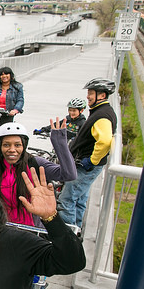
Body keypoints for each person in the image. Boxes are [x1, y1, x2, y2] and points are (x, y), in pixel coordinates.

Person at [0, 104, 77, 227]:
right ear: (0, 147)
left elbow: (69, 174)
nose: (12, 150)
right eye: (6, 145)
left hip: (33, 229)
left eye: (17, 145)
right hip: (6, 226)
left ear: (24, 146)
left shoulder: (36, 163)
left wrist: (60, 143)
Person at [58, 78, 117, 228]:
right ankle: (76, 230)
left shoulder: (102, 116)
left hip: (86, 167)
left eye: (91, 93)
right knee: (79, 199)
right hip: (86, 166)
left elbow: (104, 141)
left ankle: (67, 238)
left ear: (102, 95)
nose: (88, 96)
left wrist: (92, 161)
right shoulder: (101, 112)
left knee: (67, 200)